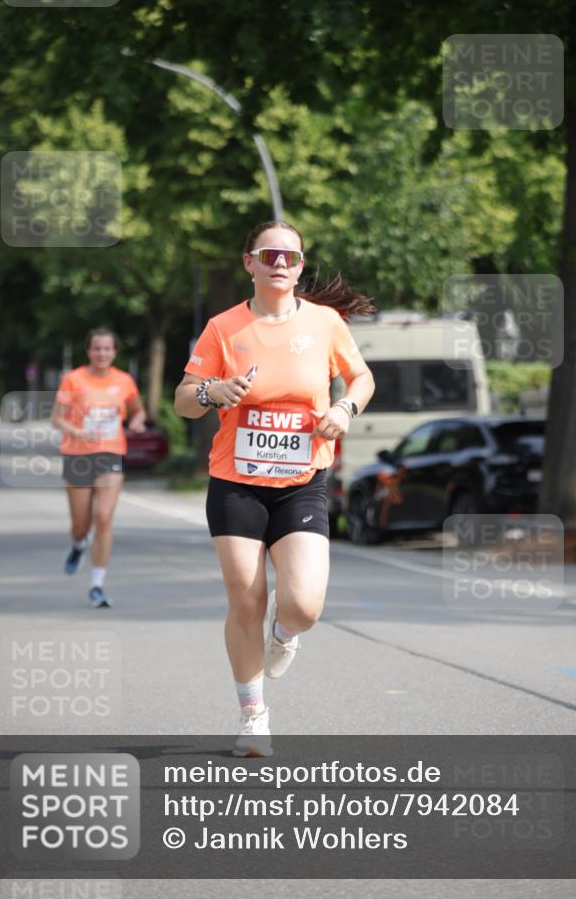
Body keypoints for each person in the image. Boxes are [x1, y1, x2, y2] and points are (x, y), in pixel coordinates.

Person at [175, 220, 375, 756]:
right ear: (250, 263)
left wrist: (343, 407)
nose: (279, 263)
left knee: (304, 605)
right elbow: (184, 400)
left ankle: (284, 636)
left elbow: (361, 377)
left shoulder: (326, 322)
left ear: (300, 265)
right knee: (246, 597)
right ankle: (253, 715)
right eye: (269, 255)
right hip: (236, 481)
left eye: (289, 256)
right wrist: (214, 390)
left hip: (302, 481)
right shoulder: (223, 327)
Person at [51, 328, 146, 608]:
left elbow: (138, 410)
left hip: (110, 452)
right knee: (81, 524)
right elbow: (57, 419)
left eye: (107, 349)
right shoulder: (73, 379)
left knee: (103, 518)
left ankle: (97, 585)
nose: (102, 353)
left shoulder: (124, 380)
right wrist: (78, 433)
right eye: (96, 348)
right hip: (77, 455)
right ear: (88, 351)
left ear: (114, 352)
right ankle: (79, 545)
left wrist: (138, 421)